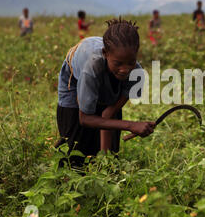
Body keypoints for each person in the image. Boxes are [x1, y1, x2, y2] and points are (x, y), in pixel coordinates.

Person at [56, 18, 155, 168]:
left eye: (130, 62)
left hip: (103, 69)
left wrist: (105, 160)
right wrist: (131, 125)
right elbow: (85, 119)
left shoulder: (136, 73)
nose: (125, 69)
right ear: (105, 53)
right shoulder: (91, 68)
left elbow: (108, 113)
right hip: (75, 76)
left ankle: (104, 167)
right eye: (118, 63)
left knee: (110, 152)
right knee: (75, 149)